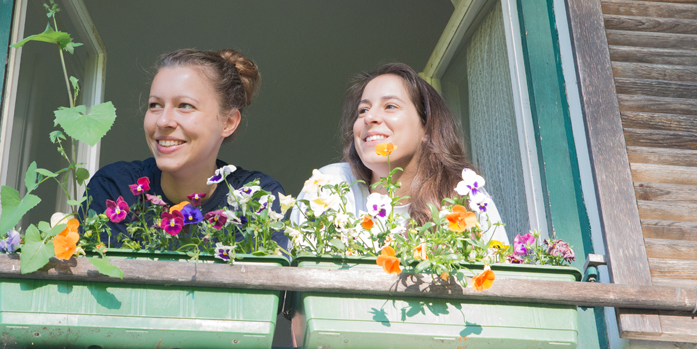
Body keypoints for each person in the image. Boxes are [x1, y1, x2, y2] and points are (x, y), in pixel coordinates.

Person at [83, 49, 285, 243]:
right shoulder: (114, 188)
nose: (163, 121)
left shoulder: (257, 197)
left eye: (185, 106)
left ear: (228, 122)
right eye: (155, 105)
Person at [292, 62, 508, 244]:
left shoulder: (466, 198)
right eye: (363, 110)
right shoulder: (330, 185)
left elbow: (499, 281)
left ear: (426, 127)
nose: (369, 118)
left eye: (390, 106)